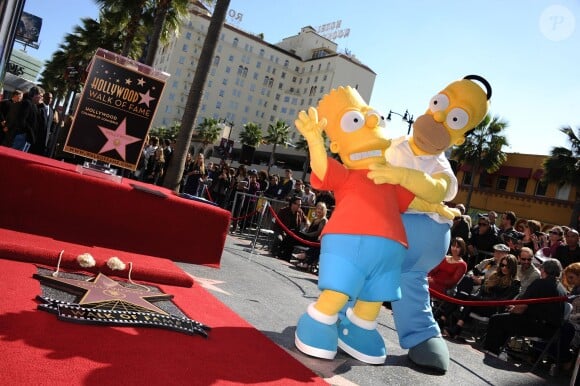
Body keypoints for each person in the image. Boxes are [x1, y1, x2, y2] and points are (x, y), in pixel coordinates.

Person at [483, 259, 567, 355]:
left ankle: (492, 351)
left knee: (496, 319)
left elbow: (521, 307)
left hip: (537, 326)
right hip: (551, 330)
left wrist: (513, 309)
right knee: (508, 319)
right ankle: (501, 349)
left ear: (543, 270)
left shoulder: (539, 283)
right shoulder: (562, 289)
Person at [438, 254, 520, 339]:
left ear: (513, 267)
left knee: (470, 299)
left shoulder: (515, 283)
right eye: (502, 265)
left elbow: (503, 300)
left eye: (508, 266)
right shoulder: (495, 276)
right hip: (480, 302)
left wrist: (481, 299)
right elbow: (483, 289)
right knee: (462, 293)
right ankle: (448, 322)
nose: (504, 268)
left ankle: (447, 322)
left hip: (493, 308)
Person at [293, 202, 329, 270]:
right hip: (309, 237)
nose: (319, 210)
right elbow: (309, 230)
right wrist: (305, 232)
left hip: (314, 239)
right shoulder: (315, 219)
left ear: (324, 211)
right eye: (318, 208)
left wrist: (306, 234)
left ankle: (304, 257)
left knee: (317, 246)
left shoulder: (323, 220)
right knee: (293, 233)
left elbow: (318, 232)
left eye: (321, 209)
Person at [271, 196, 307, 261]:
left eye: (300, 205)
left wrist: (307, 223)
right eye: (298, 205)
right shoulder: (283, 211)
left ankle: (286, 256)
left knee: (292, 241)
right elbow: (277, 224)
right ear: (292, 204)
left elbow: (306, 219)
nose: (299, 206)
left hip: (293, 233)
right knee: (279, 238)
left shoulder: (300, 211)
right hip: (281, 230)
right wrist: (283, 233)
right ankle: (274, 252)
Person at [11, 86, 43, 153]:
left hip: (27, 137)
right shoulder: (27, 103)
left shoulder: (34, 105)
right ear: (35, 95)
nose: (41, 98)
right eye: (40, 95)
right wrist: (29, 132)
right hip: (23, 136)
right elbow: (22, 120)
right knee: (16, 156)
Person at [37, 92, 59, 156]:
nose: (50, 99)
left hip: (45, 142)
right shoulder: (38, 107)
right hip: (36, 139)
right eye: (48, 98)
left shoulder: (52, 112)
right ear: (43, 98)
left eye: (51, 98)